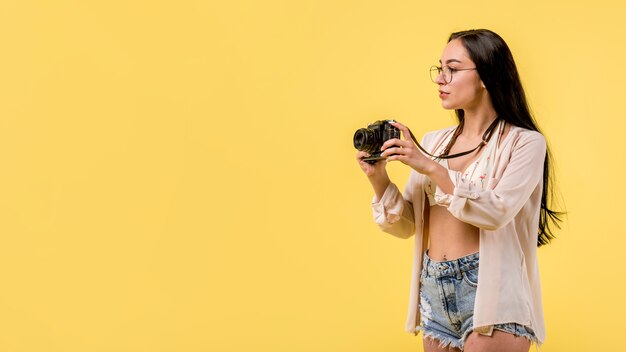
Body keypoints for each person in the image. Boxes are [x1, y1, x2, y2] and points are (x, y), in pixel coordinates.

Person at [355, 29, 562, 352]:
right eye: (440, 69)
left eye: (452, 69)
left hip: (491, 296)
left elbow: (496, 211)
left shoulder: (524, 143)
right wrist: (378, 177)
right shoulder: (435, 142)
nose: (441, 79)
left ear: (485, 76)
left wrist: (430, 166)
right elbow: (407, 225)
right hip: (434, 289)